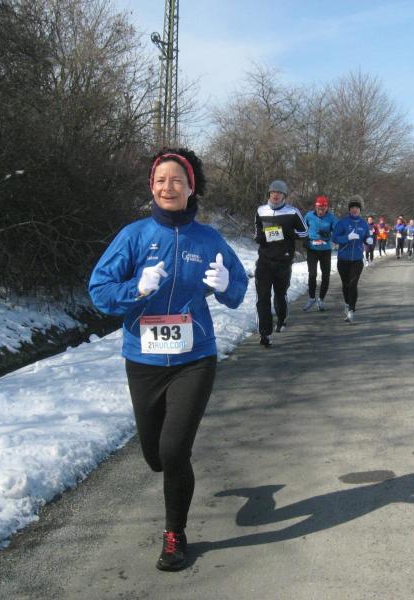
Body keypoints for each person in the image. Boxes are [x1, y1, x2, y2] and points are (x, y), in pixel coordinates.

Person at [89, 148, 248, 571]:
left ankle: (175, 534)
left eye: (177, 180)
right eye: (160, 180)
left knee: (175, 450)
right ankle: (170, 470)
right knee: (156, 456)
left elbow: (237, 291)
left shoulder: (208, 239)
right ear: (151, 187)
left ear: (191, 187)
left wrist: (227, 284)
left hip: (194, 358)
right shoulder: (134, 236)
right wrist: (136, 289)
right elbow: (99, 291)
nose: (168, 187)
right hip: (143, 360)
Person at [254, 180, 309, 347]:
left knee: (279, 294)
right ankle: (264, 334)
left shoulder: (292, 212)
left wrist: (287, 232)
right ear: (269, 194)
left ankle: (282, 318)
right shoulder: (261, 210)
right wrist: (262, 236)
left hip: (283, 260)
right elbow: (257, 233)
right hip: (264, 260)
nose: (275, 195)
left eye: (279, 193)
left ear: (284, 196)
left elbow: (304, 233)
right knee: (262, 297)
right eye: (273, 192)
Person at [333, 196, 370, 322]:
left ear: (360, 210)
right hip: (343, 258)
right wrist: (347, 238)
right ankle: (347, 303)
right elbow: (334, 238)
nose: (355, 210)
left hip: (357, 259)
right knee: (346, 284)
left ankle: (351, 310)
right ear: (349, 210)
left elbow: (367, 237)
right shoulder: (343, 222)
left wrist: (369, 240)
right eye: (352, 208)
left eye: (357, 208)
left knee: (353, 284)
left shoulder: (364, 224)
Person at [303, 194, 337, 312]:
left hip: (325, 250)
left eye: (323, 209)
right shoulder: (309, 216)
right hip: (312, 249)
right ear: (315, 207)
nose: (321, 211)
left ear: (327, 208)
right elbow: (302, 229)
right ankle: (311, 298)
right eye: (319, 208)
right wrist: (305, 240)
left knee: (326, 275)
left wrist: (329, 234)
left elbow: (337, 231)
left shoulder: (331, 218)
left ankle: (321, 300)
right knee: (312, 274)